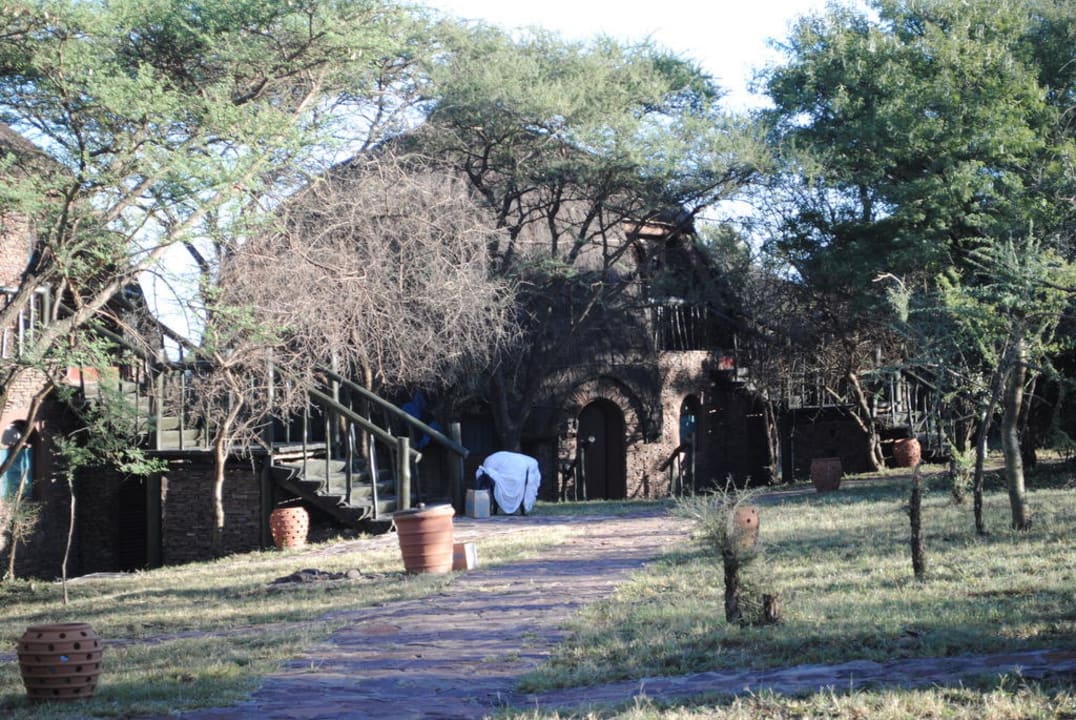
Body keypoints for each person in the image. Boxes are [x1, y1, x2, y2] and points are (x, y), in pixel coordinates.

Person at [474, 451, 540, 515]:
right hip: (496, 470)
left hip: (507, 470)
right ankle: (491, 507)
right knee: (492, 487)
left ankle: (492, 508)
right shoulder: (491, 464)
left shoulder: (527, 464)